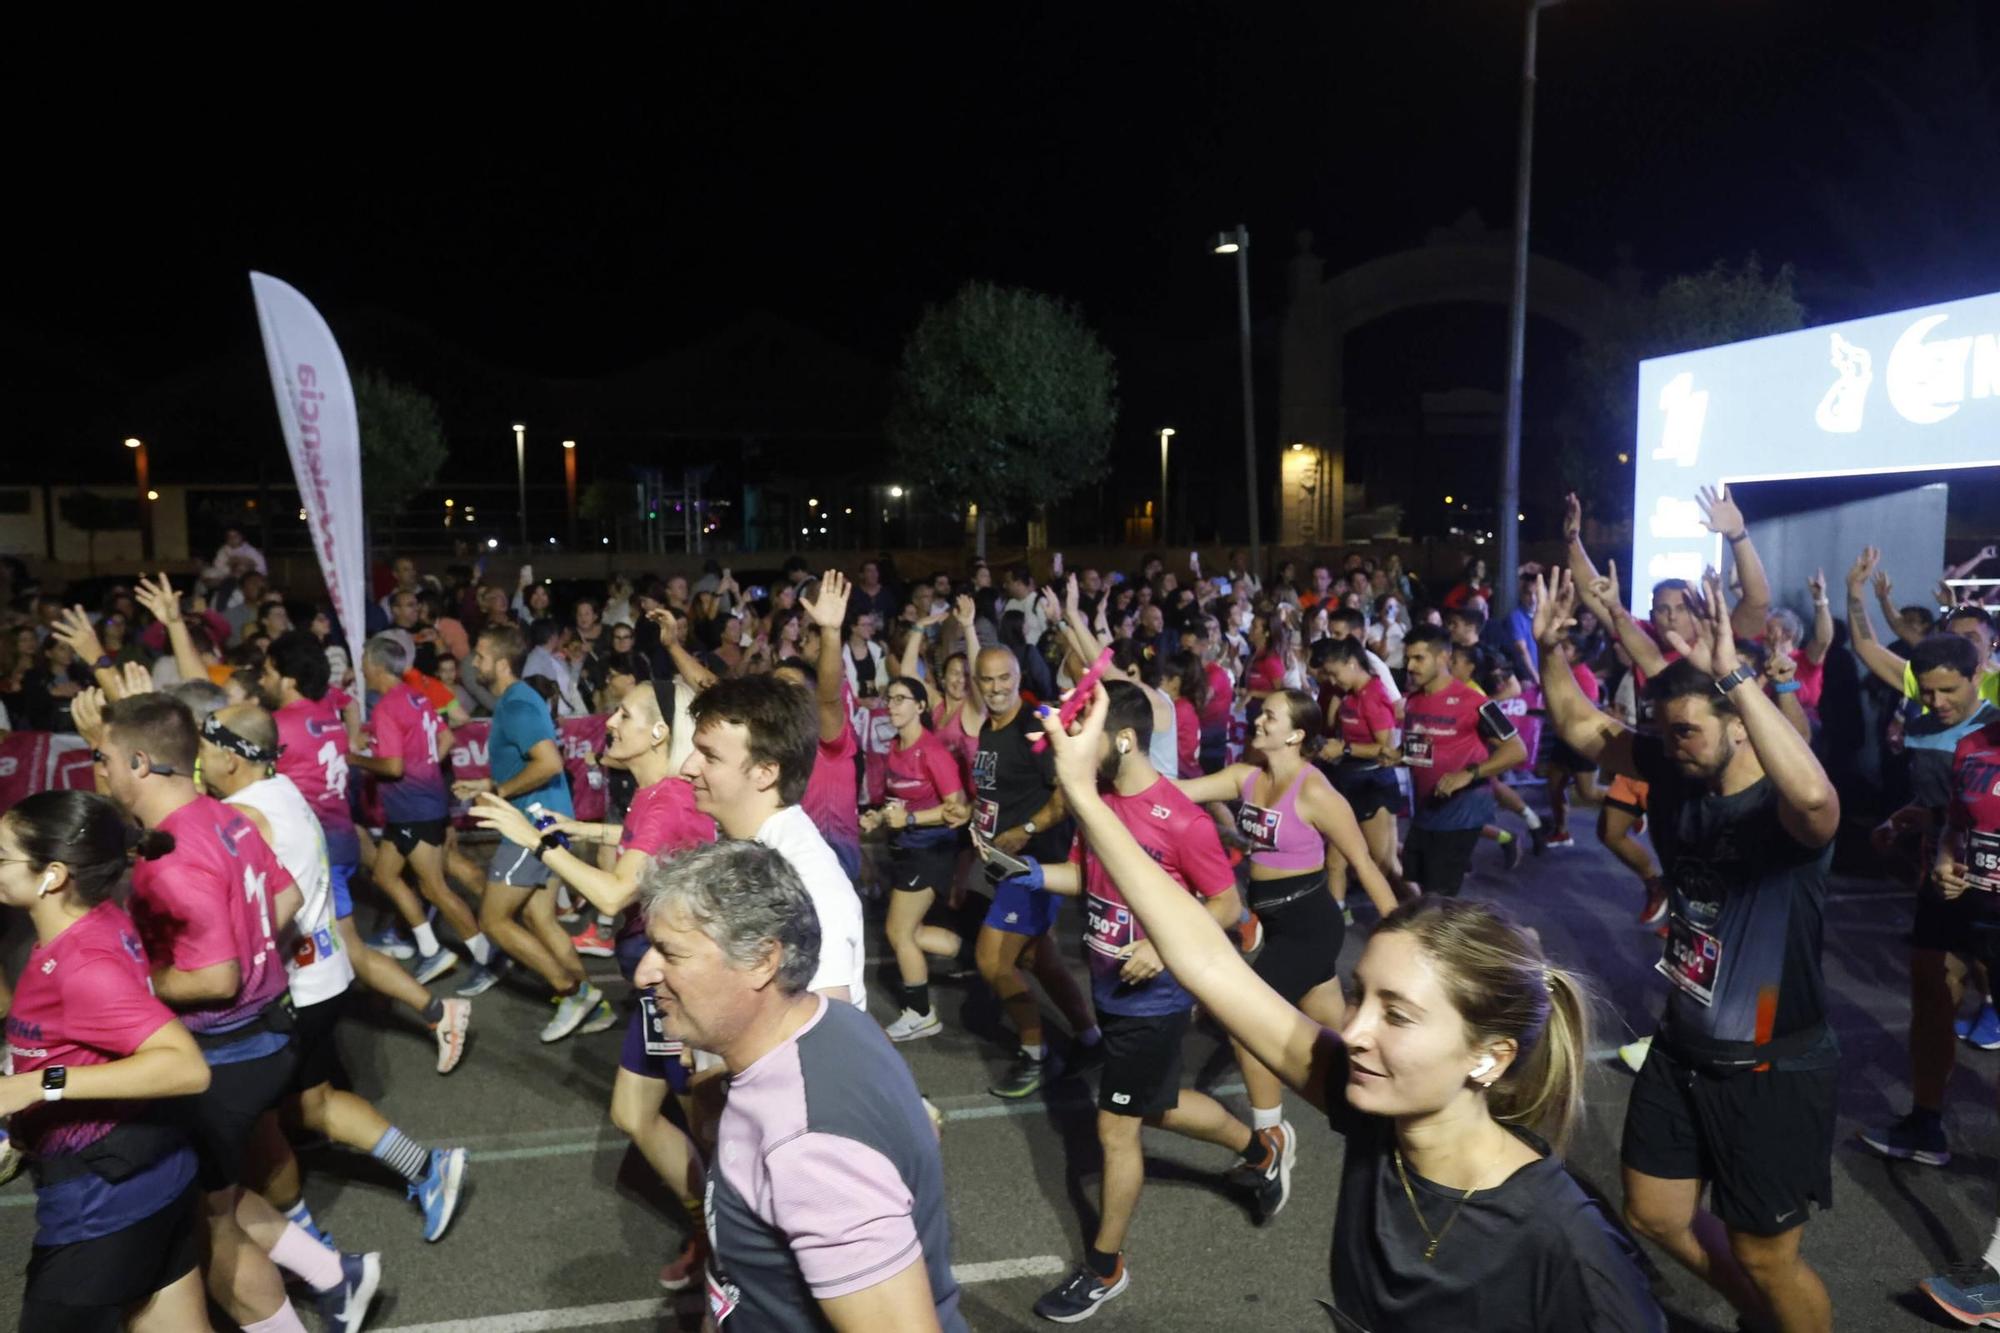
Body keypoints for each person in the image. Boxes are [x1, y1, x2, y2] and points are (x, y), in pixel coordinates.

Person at [1036, 682, 1663, 1330]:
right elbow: (1208, 960)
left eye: (1397, 1013)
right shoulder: (1377, 1117)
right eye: (1359, 996)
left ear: (1488, 1057)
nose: (1352, 1030)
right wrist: (1082, 792)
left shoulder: (1571, 1248)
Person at [1535, 569, 1840, 1333]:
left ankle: (1770, 1300)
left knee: (1768, 1253)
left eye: (1685, 732)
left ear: (1738, 721)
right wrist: (1551, 650)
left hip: (1769, 1061)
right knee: (1654, 1211)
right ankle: (1759, 1315)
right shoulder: (1673, 772)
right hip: (1682, 1046)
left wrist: (1739, 676)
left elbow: (1816, 801)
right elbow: (1580, 727)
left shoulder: (1780, 807)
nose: (1668, 747)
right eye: (1661, 731)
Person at [86, 690, 380, 1333]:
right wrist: (247, 953)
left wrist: (135, 984)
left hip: (223, 1056)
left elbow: (214, 979)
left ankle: (306, 1307)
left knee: (204, 1222)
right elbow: (288, 895)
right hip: (270, 1035)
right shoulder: (227, 817)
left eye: (101, 756)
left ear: (139, 762)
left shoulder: (171, 858)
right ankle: (339, 1276)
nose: (97, 770)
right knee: (221, 1192)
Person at [1003, 681, 1256, 1323]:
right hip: (1108, 988)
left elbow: (1227, 905)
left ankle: (1104, 1266)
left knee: (1116, 1128)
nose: (1079, 747)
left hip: (1155, 999)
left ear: (1124, 739)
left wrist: (1167, 950)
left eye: (1091, 734)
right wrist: (1031, 874)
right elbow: (1084, 878)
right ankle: (1259, 1149)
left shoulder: (1184, 819)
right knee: (1158, 1107)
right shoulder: (1102, 804)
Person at [634, 840, 964, 1329]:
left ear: (763, 961)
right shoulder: (833, 1022)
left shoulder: (809, 1149)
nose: (645, 973)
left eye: (671, 953)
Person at [472, 682, 717, 1290]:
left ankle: (726, 1242)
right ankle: (709, 1228)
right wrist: (577, 826)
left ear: (658, 734)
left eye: (625, 714)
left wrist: (537, 839)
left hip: (680, 992)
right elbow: (637, 842)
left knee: (708, 1131)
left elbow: (611, 893)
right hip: (653, 991)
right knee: (635, 1115)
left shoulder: (664, 800)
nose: (610, 721)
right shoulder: (655, 795)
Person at [200, 704, 468, 1246]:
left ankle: (306, 1247)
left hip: (291, 990)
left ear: (230, 759)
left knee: (262, 1121)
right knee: (309, 1103)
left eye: (205, 752)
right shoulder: (282, 791)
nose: (198, 764)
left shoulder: (244, 818)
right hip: (321, 974)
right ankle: (426, 1168)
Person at [1172, 687, 1402, 1227]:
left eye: (1270, 715)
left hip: (1310, 923)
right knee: (1337, 1033)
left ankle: (1272, 1136)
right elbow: (1174, 790)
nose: (1259, 719)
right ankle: (1396, 1117)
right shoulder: (1244, 776)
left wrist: (1402, 937)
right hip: (1275, 924)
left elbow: (1365, 865)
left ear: (1296, 733)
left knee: (1245, 1023)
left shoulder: (1316, 791)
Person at [0, 790, 215, 1333]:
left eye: (2, 857)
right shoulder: (95, 920)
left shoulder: (84, 965)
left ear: (52, 875)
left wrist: (35, 1088)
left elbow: (186, 1067)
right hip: (153, 1177)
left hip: (101, 1207)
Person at [1858, 633, 2000, 1169]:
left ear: (1979, 676)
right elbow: (1953, 820)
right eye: (1928, 692)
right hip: (1954, 895)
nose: (1937, 703)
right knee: (1932, 994)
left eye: (1949, 691)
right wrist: (1940, 854)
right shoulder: (1972, 746)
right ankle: (1926, 1121)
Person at [452, 623, 611, 1040]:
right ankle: (593, 1003)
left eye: (481, 656)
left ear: (502, 663)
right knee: (541, 916)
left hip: (532, 823)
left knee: (493, 918)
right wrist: (487, 786)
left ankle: (570, 991)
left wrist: (501, 792)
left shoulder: (518, 702)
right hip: (545, 819)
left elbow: (548, 763)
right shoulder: (517, 700)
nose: (474, 663)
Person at [679, 674, 868, 1010]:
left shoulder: (810, 884)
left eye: (710, 757)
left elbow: (824, 1025)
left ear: (765, 772)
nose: (687, 767)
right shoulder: (741, 847)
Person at [967, 642, 1102, 1100]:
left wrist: (1025, 828)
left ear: (1018, 677)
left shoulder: (1034, 725)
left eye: (1004, 678)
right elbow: (997, 794)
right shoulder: (990, 728)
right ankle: (1089, 1038)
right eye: (987, 679)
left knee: (992, 961)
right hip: (1002, 863)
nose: (996, 687)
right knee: (1035, 958)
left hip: (1034, 864)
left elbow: (1065, 798)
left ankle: (1035, 1053)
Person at [863, 675, 971, 1041]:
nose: (892, 706)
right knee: (914, 932)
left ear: (921, 707)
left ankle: (921, 1013)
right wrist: (878, 817)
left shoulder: (932, 751)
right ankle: (973, 956)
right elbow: (898, 803)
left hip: (931, 851)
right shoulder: (894, 748)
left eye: (901, 699)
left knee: (898, 931)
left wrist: (909, 819)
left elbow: (959, 809)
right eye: (889, 699)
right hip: (907, 849)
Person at [1396, 625, 1527, 897]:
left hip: (1463, 811)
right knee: (1420, 887)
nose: (1410, 666)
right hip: (1425, 810)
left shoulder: (1476, 702)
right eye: (1408, 658)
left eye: (1419, 658)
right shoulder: (1412, 702)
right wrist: (1395, 755)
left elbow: (1516, 750)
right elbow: (1420, 748)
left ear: (1444, 657)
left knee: (1438, 894)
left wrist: (1469, 774)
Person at [1315, 638, 1405, 895]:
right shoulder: (1350, 695)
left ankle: (1417, 914)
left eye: (1335, 673)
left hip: (1372, 785)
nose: (1332, 680)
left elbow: (1386, 747)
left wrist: (1344, 749)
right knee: (1334, 862)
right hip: (1348, 783)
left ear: (1353, 663)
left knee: (1382, 864)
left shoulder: (1374, 695)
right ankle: (1339, 918)